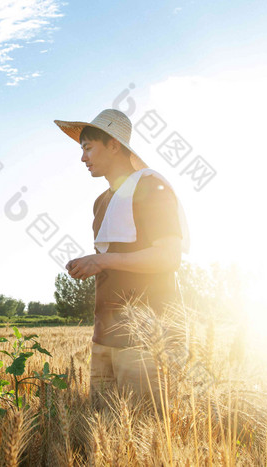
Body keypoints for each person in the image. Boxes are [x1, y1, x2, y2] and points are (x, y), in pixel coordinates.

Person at [54, 109, 190, 402]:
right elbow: (114, 260)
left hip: (147, 340)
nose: (82, 158)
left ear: (114, 145)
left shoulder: (151, 186)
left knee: (146, 432)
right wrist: (90, 264)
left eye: (88, 148)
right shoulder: (101, 202)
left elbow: (169, 257)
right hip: (104, 339)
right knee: (107, 435)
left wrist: (101, 260)